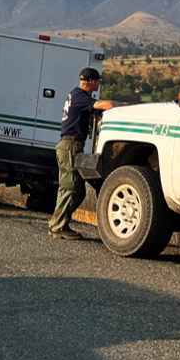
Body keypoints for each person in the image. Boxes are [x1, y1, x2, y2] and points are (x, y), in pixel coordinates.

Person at [50, 67, 123, 239]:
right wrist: (122, 106)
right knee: (70, 187)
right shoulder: (80, 97)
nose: (99, 84)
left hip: (72, 145)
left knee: (79, 190)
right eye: (98, 81)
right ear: (91, 82)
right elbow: (105, 105)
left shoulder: (75, 96)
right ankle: (58, 226)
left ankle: (60, 222)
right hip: (70, 145)